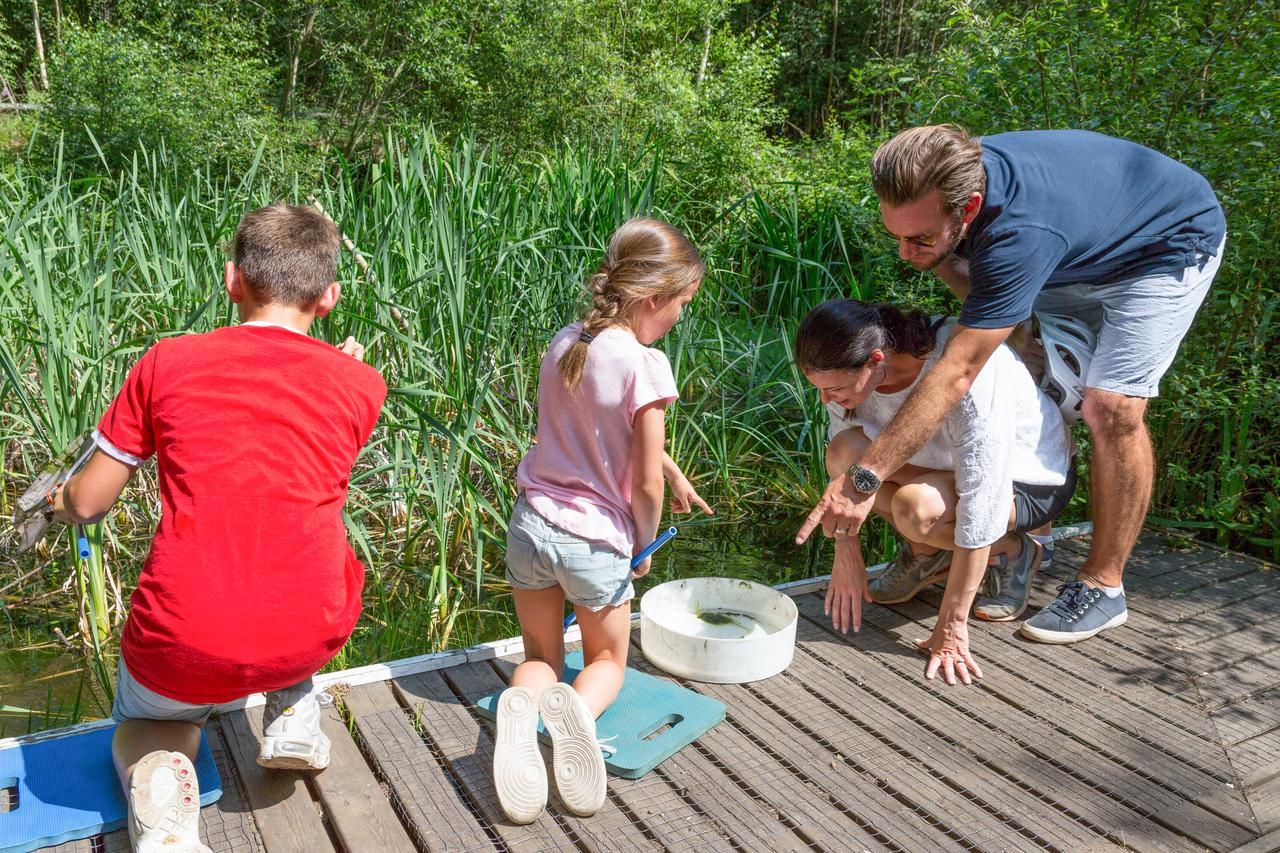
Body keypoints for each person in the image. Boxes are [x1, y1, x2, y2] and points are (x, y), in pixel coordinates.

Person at [798, 126, 1225, 645]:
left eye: (919, 238)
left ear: (970, 207)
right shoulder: (951, 174)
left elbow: (956, 372)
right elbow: (962, 281)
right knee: (1023, 358)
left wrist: (864, 481)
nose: (906, 256)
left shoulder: (1019, 235)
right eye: (897, 236)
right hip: (1075, 248)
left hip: (1163, 247)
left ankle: (1103, 584)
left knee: (1110, 406)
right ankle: (959, 545)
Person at [51, 204, 386, 852]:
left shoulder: (166, 362)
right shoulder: (361, 383)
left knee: (148, 723)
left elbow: (88, 503)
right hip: (306, 628)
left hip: (183, 638)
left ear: (233, 280)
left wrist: (59, 502)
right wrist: (345, 366)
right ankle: (290, 710)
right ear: (329, 297)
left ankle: (164, 797)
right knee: (296, 568)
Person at [493, 217, 712, 824]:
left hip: (531, 524)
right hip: (594, 542)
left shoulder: (568, 341)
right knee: (606, 663)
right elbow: (639, 484)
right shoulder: (646, 364)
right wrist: (640, 547)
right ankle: (576, 722)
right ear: (651, 299)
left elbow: (586, 426)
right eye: (681, 304)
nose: (679, 317)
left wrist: (672, 467)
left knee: (540, 652)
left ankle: (522, 707)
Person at [797, 299, 1074, 684]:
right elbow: (846, 483)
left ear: (876, 360)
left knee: (916, 510)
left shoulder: (960, 367)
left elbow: (983, 500)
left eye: (836, 389)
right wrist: (846, 553)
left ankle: (1012, 549)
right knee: (844, 451)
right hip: (942, 468)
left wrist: (951, 628)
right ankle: (929, 556)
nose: (827, 400)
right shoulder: (846, 378)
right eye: (821, 390)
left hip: (1025, 479)